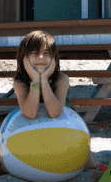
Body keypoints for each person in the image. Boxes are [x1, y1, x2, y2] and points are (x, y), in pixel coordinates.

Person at [13, 30, 98, 171]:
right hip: (36, 131)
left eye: (46, 53)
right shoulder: (20, 82)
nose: (41, 57)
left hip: (64, 128)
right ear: (24, 58)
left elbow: (54, 113)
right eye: (34, 53)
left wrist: (44, 79)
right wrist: (35, 79)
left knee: (90, 165)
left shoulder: (61, 79)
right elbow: (30, 113)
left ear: (54, 59)